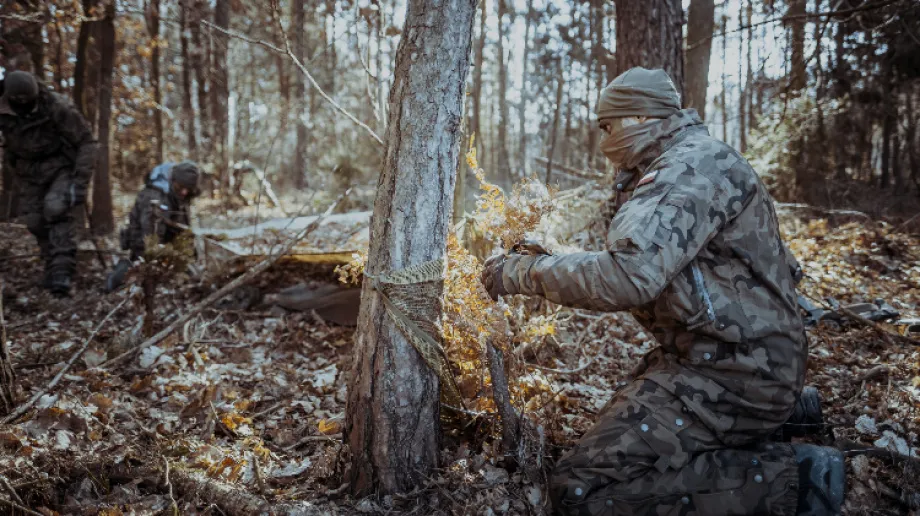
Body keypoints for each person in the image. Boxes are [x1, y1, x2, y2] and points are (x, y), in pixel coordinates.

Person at [480, 67, 844, 516]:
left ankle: (797, 478)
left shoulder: (686, 169)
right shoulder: (685, 161)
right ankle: (788, 411)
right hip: (728, 359)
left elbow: (630, 277)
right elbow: (654, 260)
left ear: (639, 117)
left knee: (580, 489)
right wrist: (552, 256)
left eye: (608, 126)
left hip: (734, 373)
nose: (604, 140)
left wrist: (519, 274)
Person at [0, 70, 98, 296]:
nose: (24, 104)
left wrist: (79, 183)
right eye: (19, 100)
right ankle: (50, 265)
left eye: (28, 100)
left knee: (56, 208)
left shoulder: (56, 106)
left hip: (59, 166)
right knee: (34, 221)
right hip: (27, 171)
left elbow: (87, 142)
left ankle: (62, 271)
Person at [105, 161, 201, 291]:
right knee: (131, 278)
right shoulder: (154, 197)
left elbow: (183, 228)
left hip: (168, 249)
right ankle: (119, 276)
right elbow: (150, 238)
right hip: (145, 248)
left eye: (188, 189)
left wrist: (189, 255)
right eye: (181, 187)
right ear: (172, 180)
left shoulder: (179, 195)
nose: (184, 192)